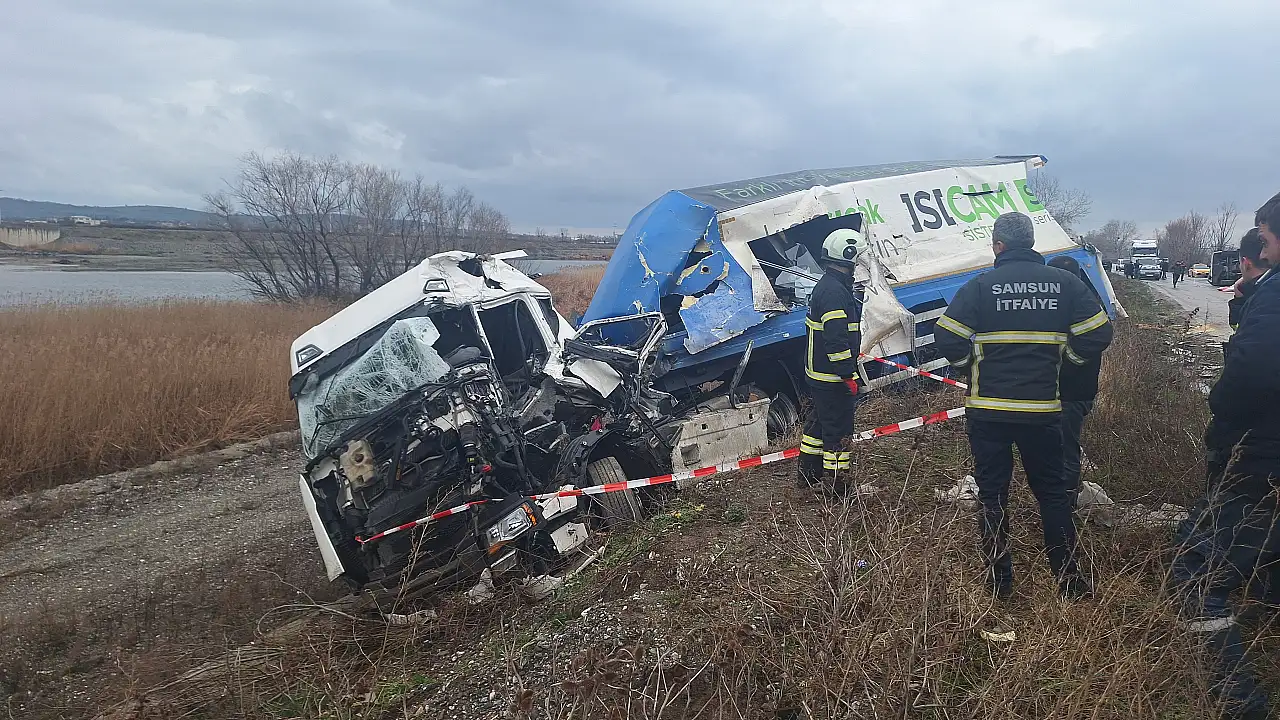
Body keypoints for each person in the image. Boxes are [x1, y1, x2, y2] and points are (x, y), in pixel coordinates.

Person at [935, 213, 1113, 600]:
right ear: (1032, 243)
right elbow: (1100, 332)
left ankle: (1000, 584)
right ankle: (1069, 581)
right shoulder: (1065, 283)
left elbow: (946, 336)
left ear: (998, 245)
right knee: (1052, 494)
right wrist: (1068, 360)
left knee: (993, 496)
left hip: (988, 412)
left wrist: (971, 365)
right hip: (1041, 411)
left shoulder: (980, 286)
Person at [1170, 197, 1280, 719]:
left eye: (1266, 237)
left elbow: (1253, 368)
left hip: (1264, 455)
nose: (1264, 249)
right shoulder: (1265, 295)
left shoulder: (1276, 292)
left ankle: (1240, 703)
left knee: (1195, 571)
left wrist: (1221, 408)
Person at [798, 228, 867, 495]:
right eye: (857, 257)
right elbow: (836, 341)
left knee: (818, 426)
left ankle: (808, 477)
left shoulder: (829, 286)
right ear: (848, 256)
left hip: (820, 375)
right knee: (838, 432)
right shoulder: (835, 293)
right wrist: (848, 375)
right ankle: (838, 488)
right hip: (832, 377)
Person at [1047, 255, 1104, 506]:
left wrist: (1068, 362)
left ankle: (1064, 505)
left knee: (1064, 451)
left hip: (1070, 393)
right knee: (1060, 448)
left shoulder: (1072, 307)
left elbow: (1096, 339)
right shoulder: (1085, 302)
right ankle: (1059, 500)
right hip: (1077, 391)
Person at [1229, 229, 1270, 330]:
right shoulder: (1270, 287)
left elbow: (1242, 333)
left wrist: (1239, 302)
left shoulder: (1258, 297)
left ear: (1246, 263)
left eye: (1240, 263)